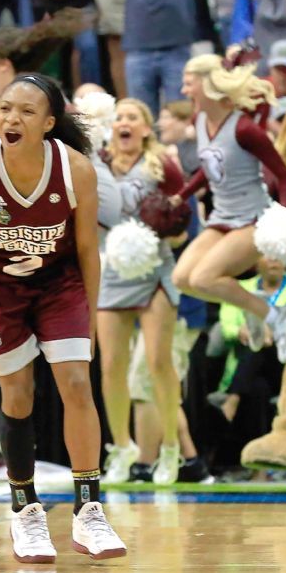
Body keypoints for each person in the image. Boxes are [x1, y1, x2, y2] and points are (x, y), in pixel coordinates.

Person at [0, 73, 125, 563]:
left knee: (76, 383)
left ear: (49, 123)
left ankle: (89, 511)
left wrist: (89, 317)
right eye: (5, 108)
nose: (11, 118)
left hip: (58, 284)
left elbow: (88, 249)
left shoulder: (76, 170)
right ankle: (26, 512)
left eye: (26, 111)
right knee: (17, 393)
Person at [170, 55, 286, 373]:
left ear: (207, 84)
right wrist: (181, 195)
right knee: (183, 279)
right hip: (221, 216)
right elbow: (207, 168)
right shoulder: (199, 120)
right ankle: (252, 307)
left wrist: (283, 216)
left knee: (204, 278)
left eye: (190, 79)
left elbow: (283, 174)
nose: (184, 86)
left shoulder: (244, 129)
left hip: (253, 218)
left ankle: (272, 313)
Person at [96, 98, 194, 484]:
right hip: (113, 270)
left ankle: (170, 448)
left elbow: (184, 225)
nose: (124, 123)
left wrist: (169, 227)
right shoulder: (98, 166)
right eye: (119, 117)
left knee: (157, 362)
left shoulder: (163, 165)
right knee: (111, 366)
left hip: (154, 268)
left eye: (133, 117)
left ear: (146, 129)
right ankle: (122, 447)